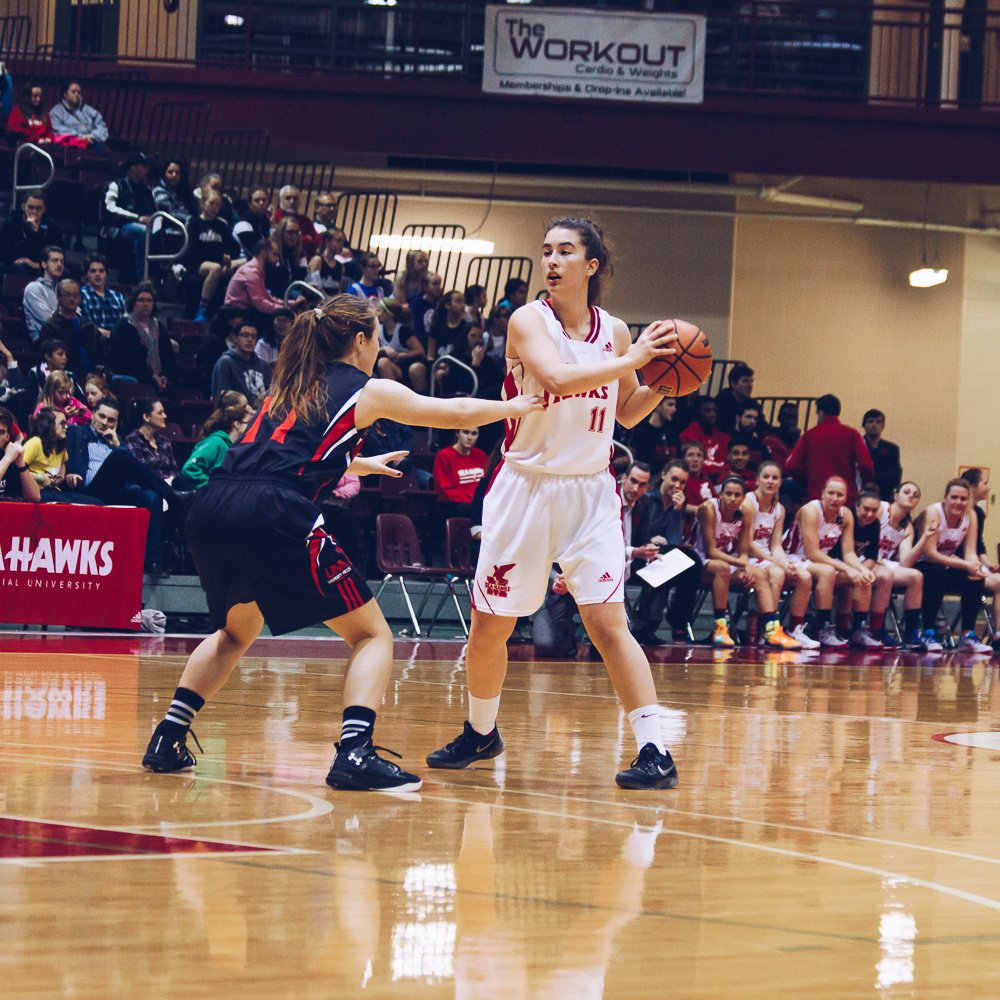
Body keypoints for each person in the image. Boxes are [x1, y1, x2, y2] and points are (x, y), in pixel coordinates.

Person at [141, 293, 542, 792]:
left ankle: (167, 738)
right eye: (376, 337)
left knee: (234, 634)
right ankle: (354, 753)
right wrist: (516, 405)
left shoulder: (287, 386)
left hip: (215, 506)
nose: (378, 347)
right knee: (372, 635)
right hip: (271, 511)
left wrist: (357, 464)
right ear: (359, 340)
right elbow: (451, 411)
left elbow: (278, 453)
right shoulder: (365, 389)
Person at [425, 217, 682, 790]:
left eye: (566, 251)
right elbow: (557, 379)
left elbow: (626, 410)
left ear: (591, 266)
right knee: (491, 627)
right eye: (546, 251)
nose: (552, 260)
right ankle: (482, 731)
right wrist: (634, 356)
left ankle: (654, 751)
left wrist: (666, 378)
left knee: (609, 624)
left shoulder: (613, 331)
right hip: (526, 487)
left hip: (591, 490)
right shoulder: (527, 321)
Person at [66, 397, 177, 575]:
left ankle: (153, 562)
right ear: (92, 414)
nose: (105, 423)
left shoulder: (118, 440)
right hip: (90, 489)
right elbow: (72, 456)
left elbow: (132, 471)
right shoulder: (77, 432)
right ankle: (171, 494)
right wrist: (71, 473)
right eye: (101, 416)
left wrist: (117, 444)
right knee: (120, 457)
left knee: (151, 497)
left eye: (111, 420)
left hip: (116, 490)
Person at [696, 476, 797, 649]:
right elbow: (711, 551)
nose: (732, 498)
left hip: (728, 560)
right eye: (728, 494)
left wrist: (746, 565)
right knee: (722, 568)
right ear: (720, 495)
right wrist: (743, 563)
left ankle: (772, 631)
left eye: (737, 495)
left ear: (743, 498)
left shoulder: (746, 512)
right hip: (699, 559)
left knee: (760, 574)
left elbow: (743, 551)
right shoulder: (709, 508)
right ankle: (721, 628)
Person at [784, 476, 875, 648]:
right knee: (827, 572)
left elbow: (848, 552)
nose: (834, 498)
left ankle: (858, 630)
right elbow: (813, 554)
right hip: (793, 557)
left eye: (839, 495)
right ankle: (823, 629)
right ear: (822, 494)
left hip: (820, 561)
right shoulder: (811, 510)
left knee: (864, 577)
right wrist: (847, 569)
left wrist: (859, 569)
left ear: (846, 497)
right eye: (830, 493)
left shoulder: (845, 515)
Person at [743, 460, 817, 649]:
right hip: (746, 554)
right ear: (757, 480)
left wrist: (785, 563)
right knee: (777, 572)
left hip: (766, 557)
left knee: (804, 576)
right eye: (766, 477)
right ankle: (768, 631)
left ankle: (794, 630)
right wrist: (777, 564)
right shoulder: (748, 502)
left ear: (780, 483)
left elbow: (776, 545)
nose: (770, 481)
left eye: (775, 478)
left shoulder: (779, 509)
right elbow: (747, 543)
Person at [629, 460, 704, 646]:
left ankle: (678, 620)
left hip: (662, 555)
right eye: (674, 479)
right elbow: (636, 536)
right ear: (663, 475)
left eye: (683, 482)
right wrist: (650, 540)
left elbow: (674, 541)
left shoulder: (677, 506)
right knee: (668, 564)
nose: (677, 486)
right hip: (638, 554)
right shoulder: (645, 498)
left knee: (692, 561)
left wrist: (677, 513)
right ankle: (648, 625)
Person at [914, 478, 992, 652]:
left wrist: (975, 566)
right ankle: (928, 632)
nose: (959, 502)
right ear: (945, 498)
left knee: (975, 577)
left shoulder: (971, 515)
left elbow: (971, 550)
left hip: (947, 564)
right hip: (922, 564)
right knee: (937, 572)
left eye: (963, 499)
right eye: (954, 497)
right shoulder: (933, 513)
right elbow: (930, 554)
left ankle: (967, 636)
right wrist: (965, 565)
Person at [874, 481, 935, 650]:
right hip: (864, 557)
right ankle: (877, 629)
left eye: (915, 495)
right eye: (906, 492)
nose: (911, 496)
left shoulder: (907, 527)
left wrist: (925, 538)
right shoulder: (880, 509)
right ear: (895, 495)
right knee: (887, 574)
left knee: (916, 576)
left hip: (883, 562)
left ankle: (911, 634)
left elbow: (906, 561)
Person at [784, 394, 875, 504]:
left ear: (821, 413)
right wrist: (865, 484)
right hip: (846, 498)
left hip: (817, 497)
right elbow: (866, 465)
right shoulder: (852, 434)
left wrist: (808, 481)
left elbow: (791, 465)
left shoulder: (809, 435)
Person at [185, 188, 246, 322]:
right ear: (203, 204)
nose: (215, 208)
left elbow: (233, 248)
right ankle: (202, 308)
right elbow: (192, 251)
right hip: (200, 264)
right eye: (212, 203)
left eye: (218, 205)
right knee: (215, 268)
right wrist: (219, 256)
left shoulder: (221, 225)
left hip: (220, 263)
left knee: (245, 262)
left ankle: (235, 306)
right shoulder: (194, 224)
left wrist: (228, 258)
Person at [175, 393, 253, 490]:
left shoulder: (237, 446)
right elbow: (190, 469)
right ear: (237, 424)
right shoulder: (215, 442)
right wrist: (211, 489)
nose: (251, 426)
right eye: (248, 423)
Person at [960, 468, 1000, 646]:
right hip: (956, 566)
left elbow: (979, 545)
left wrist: (988, 564)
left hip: (973, 564)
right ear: (972, 486)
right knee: (989, 584)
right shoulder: (957, 510)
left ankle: (997, 634)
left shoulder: (979, 513)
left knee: (998, 582)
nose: (989, 487)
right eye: (985, 483)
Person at [109, 284, 176, 391]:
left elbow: (168, 355)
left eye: (149, 301)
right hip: (134, 379)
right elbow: (128, 360)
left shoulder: (159, 326)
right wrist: (152, 377)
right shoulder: (123, 327)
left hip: (158, 378)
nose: (145, 304)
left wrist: (165, 375)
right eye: (141, 300)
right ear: (133, 303)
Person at [103, 152, 156, 282]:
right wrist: (137, 218)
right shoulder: (117, 185)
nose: (146, 169)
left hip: (146, 225)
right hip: (120, 226)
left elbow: (154, 211)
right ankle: (142, 275)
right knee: (144, 232)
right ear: (132, 167)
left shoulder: (147, 190)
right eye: (142, 166)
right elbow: (110, 208)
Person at [36, 279, 99, 377]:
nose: (71, 299)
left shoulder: (89, 326)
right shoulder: (50, 327)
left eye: (75, 295)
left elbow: (99, 354)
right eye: (67, 295)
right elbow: (48, 360)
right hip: (64, 378)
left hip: (91, 378)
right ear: (59, 297)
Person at [224, 239, 290, 320]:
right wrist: (285, 309)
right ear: (264, 254)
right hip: (235, 315)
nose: (278, 260)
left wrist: (290, 304)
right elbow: (261, 304)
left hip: (245, 312)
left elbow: (267, 298)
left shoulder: (257, 270)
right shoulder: (251, 272)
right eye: (275, 255)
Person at [1, 191, 64, 275]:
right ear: (23, 207)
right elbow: (8, 256)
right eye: (30, 207)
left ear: (44, 210)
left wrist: (34, 264)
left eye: (38, 208)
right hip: (15, 264)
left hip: (40, 265)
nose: (34, 212)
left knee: (65, 272)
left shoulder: (52, 227)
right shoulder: (10, 223)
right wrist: (32, 235)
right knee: (20, 268)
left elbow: (59, 254)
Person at [210, 320, 271, 405]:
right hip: (236, 413)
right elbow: (222, 398)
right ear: (235, 338)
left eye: (253, 336)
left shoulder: (263, 365)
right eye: (245, 335)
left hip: (260, 414)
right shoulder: (226, 363)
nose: (250, 340)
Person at [432, 428, 488, 517]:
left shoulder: (481, 455)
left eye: (474, 433)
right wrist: (474, 502)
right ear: (457, 433)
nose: (470, 437)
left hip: (478, 504)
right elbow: (446, 490)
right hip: (454, 505)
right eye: (466, 432)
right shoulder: (444, 456)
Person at [376, 298, 428, 393]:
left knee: (416, 368)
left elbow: (420, 351)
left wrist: (401, 355)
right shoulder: (379, 329)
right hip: (396, 366)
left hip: (409, 364)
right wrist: (384, 349)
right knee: (383, 362)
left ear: (388, 315)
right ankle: (395, 399)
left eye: (379, 310)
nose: (375, 313)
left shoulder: (403, 331)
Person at [125, 398, 179, 484]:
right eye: (160, 413)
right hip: (149, 486)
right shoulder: (133, 440)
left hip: (170, 486)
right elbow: (141, 472)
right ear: (146, 417)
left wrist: (171, 480)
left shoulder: (164, 441)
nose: (165, 416)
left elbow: (174, 470)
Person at [679, 395, 730, 482]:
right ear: (697, 413)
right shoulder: (688, 435)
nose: (712, 414)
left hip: (721, 481)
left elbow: (728, 464)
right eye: (707, 410)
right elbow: (691, 466)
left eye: (714, 410)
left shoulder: (724, 438)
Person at [79, 253, 127, 343]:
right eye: (93, 271)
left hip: (118, 343)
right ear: (86, 274)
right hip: (93, 342)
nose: (98, 274)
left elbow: (126, 322)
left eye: (101, 271)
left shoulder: (118, 297)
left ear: (106, 274)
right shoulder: (80, 295)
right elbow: (85, 325)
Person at [49, 80, 108, 148]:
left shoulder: (88, 110)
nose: (76, 94)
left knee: (104, 150)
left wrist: (93, 136)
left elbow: (101, 126)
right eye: (73, 92)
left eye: (79, 92)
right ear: (65, 94)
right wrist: (80, 136)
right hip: (71, 145)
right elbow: (56, 128)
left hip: (92, 142)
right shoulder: (57, 111)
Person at [630, 396, 681, 475]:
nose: (674, 409)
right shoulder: (639, 431)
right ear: (657, 405)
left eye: (675, 405)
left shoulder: (673, 435)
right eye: (670, 405)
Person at [22, 245, 65, 340]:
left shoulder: (64, 289)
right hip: (44, 340)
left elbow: (77, 315)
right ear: (44, 264)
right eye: (55, 260)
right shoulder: (33, 288)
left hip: (66, 335)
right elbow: (48, 320)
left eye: (62, 261)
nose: (59, 264)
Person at [0, 406, 41, 502]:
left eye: (1, 432)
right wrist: (6, 459)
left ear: (7, 436)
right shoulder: (7, 458)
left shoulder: (8, 457)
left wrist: (20, 463)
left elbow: (35, 497)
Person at [862, 408, 902, 501]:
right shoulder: (857, 446)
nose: (874, 425)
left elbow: (895, 475)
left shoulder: (892, 448)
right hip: (862, 493)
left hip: (886, 495)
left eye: (878, 422)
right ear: (863, 425)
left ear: (883, 425)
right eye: (870, 422)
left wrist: (874, 479)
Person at [714, 362, 763, 435]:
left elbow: (763, 426)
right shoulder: (721, 403)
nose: (750, 385)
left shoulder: (753, 404)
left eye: (751, 381)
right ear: (733, 383)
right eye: (745, 381)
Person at [271, 185, 318, 256]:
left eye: (295, 198)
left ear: (299, 201)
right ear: (281, 200)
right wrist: (305, 239)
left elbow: (317, 240)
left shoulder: (305, 220)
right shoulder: (274, 217)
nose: (292, 201)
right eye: (288, 198)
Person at [152, 158, 197, 227]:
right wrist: (190, 219)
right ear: (164, 173)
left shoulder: (183, 191)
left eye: (177, 172)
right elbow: (168, 212)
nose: (174, 175)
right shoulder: (159, 191)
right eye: (170, 172)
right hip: (168, 228)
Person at [233, 187, 273, 257]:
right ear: (249, 203)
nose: (261, 203)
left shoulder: (266, 221)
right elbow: (255, 252)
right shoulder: (243, 225)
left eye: (264, 200)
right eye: (257, 200)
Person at [763, 400, 801, 470]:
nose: (792, 422)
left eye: (795, 418)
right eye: (788, 418)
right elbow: (786, 465)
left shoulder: (799, 439)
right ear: (779, 418)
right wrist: (793, 441)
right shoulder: (770, 439)